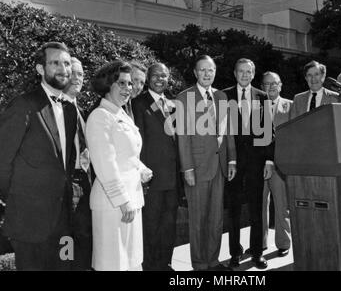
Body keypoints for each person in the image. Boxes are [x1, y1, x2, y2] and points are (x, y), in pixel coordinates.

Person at [0, 42, 77, 270]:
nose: (63, 69)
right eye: (55, 63)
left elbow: (66, 163)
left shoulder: (71, 110)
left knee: (66, 266)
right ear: (40, 69)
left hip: (64, 220)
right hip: (29, 219)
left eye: (66, 63)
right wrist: (16, 198)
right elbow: (2, 160)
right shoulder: (23, 105)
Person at [86, 60, 153, 271]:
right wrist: (123, 201)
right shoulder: (100, 116)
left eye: (129, 84)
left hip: (132, 199)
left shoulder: (121, 113)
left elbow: (127, 154)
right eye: (121, 84)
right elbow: (104, 163)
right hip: (113, 203)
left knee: (131, 261)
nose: (128, 89)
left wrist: (141, 169)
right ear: (108, 85)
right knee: (113, 264)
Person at [176, 55, 237, 271]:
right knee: (198, 219)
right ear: (195, 72)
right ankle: (200, 264)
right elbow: (182, 136)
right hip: (197, 167)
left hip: (219, 166)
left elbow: (227, 130)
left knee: (216, 218)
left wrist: (231, 159)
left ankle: (213, 260)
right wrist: (187, 168)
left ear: (215, 72)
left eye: (210, 70)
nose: (207, 74)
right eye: (202, 70)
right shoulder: (184, 98)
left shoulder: (221, 96)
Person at [223, 58, 274, 269]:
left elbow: (269, 130)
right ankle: (235, 252)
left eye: (248, 72)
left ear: (253, 75)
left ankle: (257, 252)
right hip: (233, 163)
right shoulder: (224, 96)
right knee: (233, 209)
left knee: (256, 208)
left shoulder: (262, 97)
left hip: (256, 162)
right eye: (241, 71)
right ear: (235, 73)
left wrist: (269, 160)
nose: (245, 75)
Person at [132, 63, 180, 271]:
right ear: (149, 78)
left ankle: (165, 263)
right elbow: (137, 143)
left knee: (169, 225)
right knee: (150, 226)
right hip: (151, 179)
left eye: (164, 76)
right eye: (156, 75)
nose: (160, 79)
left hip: (172, 178)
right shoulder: (138, 103)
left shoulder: (173, 104)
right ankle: (150, 266)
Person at [62, 57, 93, 270]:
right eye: (72, 73)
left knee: (84, 236)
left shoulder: (81, 111)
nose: (77, 78)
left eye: (80, 74)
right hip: (66, 184)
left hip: (85, 182)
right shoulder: (55, 109)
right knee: (67, 239)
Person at [260, 71, 292, 258]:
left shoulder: (291, 106)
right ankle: (261, 242)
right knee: (260, 204)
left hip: (280, 165)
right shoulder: (255, 107)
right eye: (267, 84)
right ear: (262, 86)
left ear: (280, 85)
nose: (271, 87)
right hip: (260, 165)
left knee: (282, 205)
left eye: (274, 84)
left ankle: (283, 242)